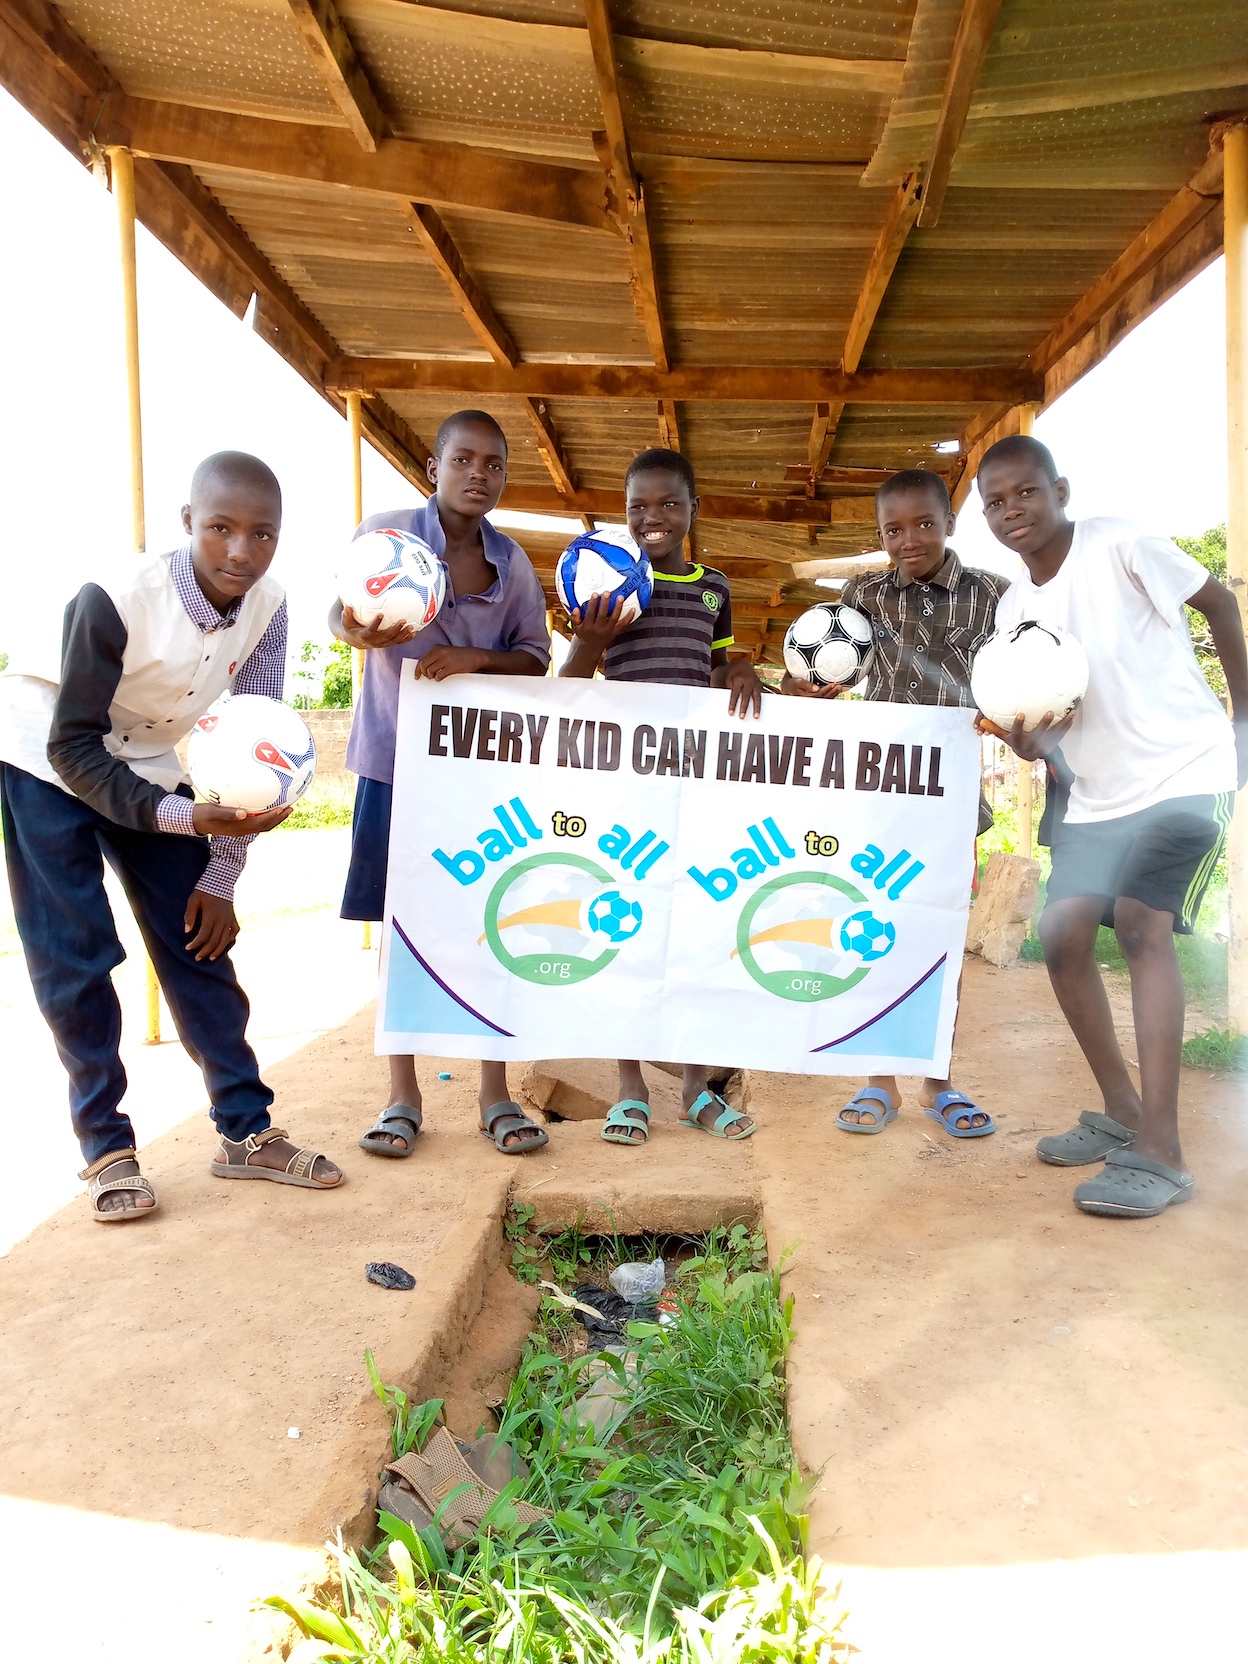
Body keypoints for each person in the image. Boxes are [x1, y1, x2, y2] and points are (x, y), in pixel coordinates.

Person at [0, 452, 343, 1221]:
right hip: (45, 748)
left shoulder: (268, 605)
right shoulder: (115, 598)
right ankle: (106, 1148)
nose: (240, 551)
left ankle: (246, 1133)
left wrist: (220, 874)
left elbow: (253, 742)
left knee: (200, 939)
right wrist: (186, 817)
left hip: (144, 755)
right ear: (189, 522)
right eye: (221, 528)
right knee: (75, 953)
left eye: (262, 534)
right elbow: (74, 746)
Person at [976, 434, 1247, 1218]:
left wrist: (1243, 723)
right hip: (1096, 795)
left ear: (1060, 491)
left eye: (1026, 492)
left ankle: (1162, 1149)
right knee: (1061, 935)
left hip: (1186, 772)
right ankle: (1122, 1110)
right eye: (995, 502)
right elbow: (1056, 713)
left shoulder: (1122, 545)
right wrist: (1035, 745)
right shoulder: (1013, 609)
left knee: (1139, 924)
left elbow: (1220, 604)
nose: (1011, 510)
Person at [334, 410, 551, 1158]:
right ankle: (403, 1096)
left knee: (489, 925)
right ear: (434, 467)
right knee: (401, 932)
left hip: (479, 779)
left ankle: (495, 1095)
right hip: (394, 766)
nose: (478, 475)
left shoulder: (511, 566)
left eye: (493, 464)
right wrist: (354, 630)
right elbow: (341, 610)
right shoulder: (387, 536)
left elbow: (535, 658)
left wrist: (475, 658)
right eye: (463, 459)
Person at [782, 467, 1006, 1138]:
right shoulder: (862, 596)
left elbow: (1015, 678)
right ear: (879, 535)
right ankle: (880, 1079)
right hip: (879, 793)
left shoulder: (994, 596)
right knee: (875, 928)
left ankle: (939, 1079)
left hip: (952, 798)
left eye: (924, 524)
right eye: (893, 529)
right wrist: (804, 690)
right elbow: (824, 672)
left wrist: (1002, 712)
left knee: (941, 935)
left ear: (950, 523)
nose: (909, 539)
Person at [559, 446, 764, 1147]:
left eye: (669, 503)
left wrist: (741, 667)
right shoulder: (604, 584)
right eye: (638, 506)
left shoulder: (714, 588)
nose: (654, 517)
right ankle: (629, 1087)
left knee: (698, 929)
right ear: (623, 514)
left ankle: (697, 1088)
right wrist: (591, 638)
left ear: (693, 510)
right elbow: (569, 686)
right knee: (629, 929)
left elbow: (719, 669)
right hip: (627, 788)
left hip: (698, 788)